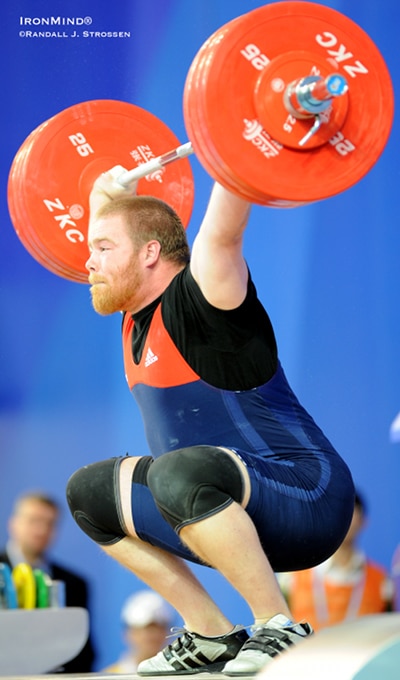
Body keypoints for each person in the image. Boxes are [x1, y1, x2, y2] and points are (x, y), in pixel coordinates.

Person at [66, 169, 355, 676]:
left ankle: (278, 624)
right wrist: (103, 199)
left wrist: (244, 140)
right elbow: (119, 245)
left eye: (103, 247)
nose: (89, 262)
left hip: (306, 499)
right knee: (90, 492)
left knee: (175, 471)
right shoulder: (136, 316)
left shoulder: (207, 292)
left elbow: (225, 227)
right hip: (222, 506)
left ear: (151, 252)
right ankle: (211, 633)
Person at [0, 491, 95, 673]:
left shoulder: (75, 584)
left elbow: (83, 650)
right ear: (13, 524)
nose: (42, 530)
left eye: (50, 524)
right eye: (34, 521)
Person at [277, 490, 394, 630]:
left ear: (363, 521)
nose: (342, 519)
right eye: (336, 513)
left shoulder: (383, 583)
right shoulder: (292, 577)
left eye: (350, 512)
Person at [104, 589, 176, 673]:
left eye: (159, 628)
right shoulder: (110, 675)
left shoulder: (184, 675)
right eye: (144, 629)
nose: (152, 635)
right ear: (128, 633)